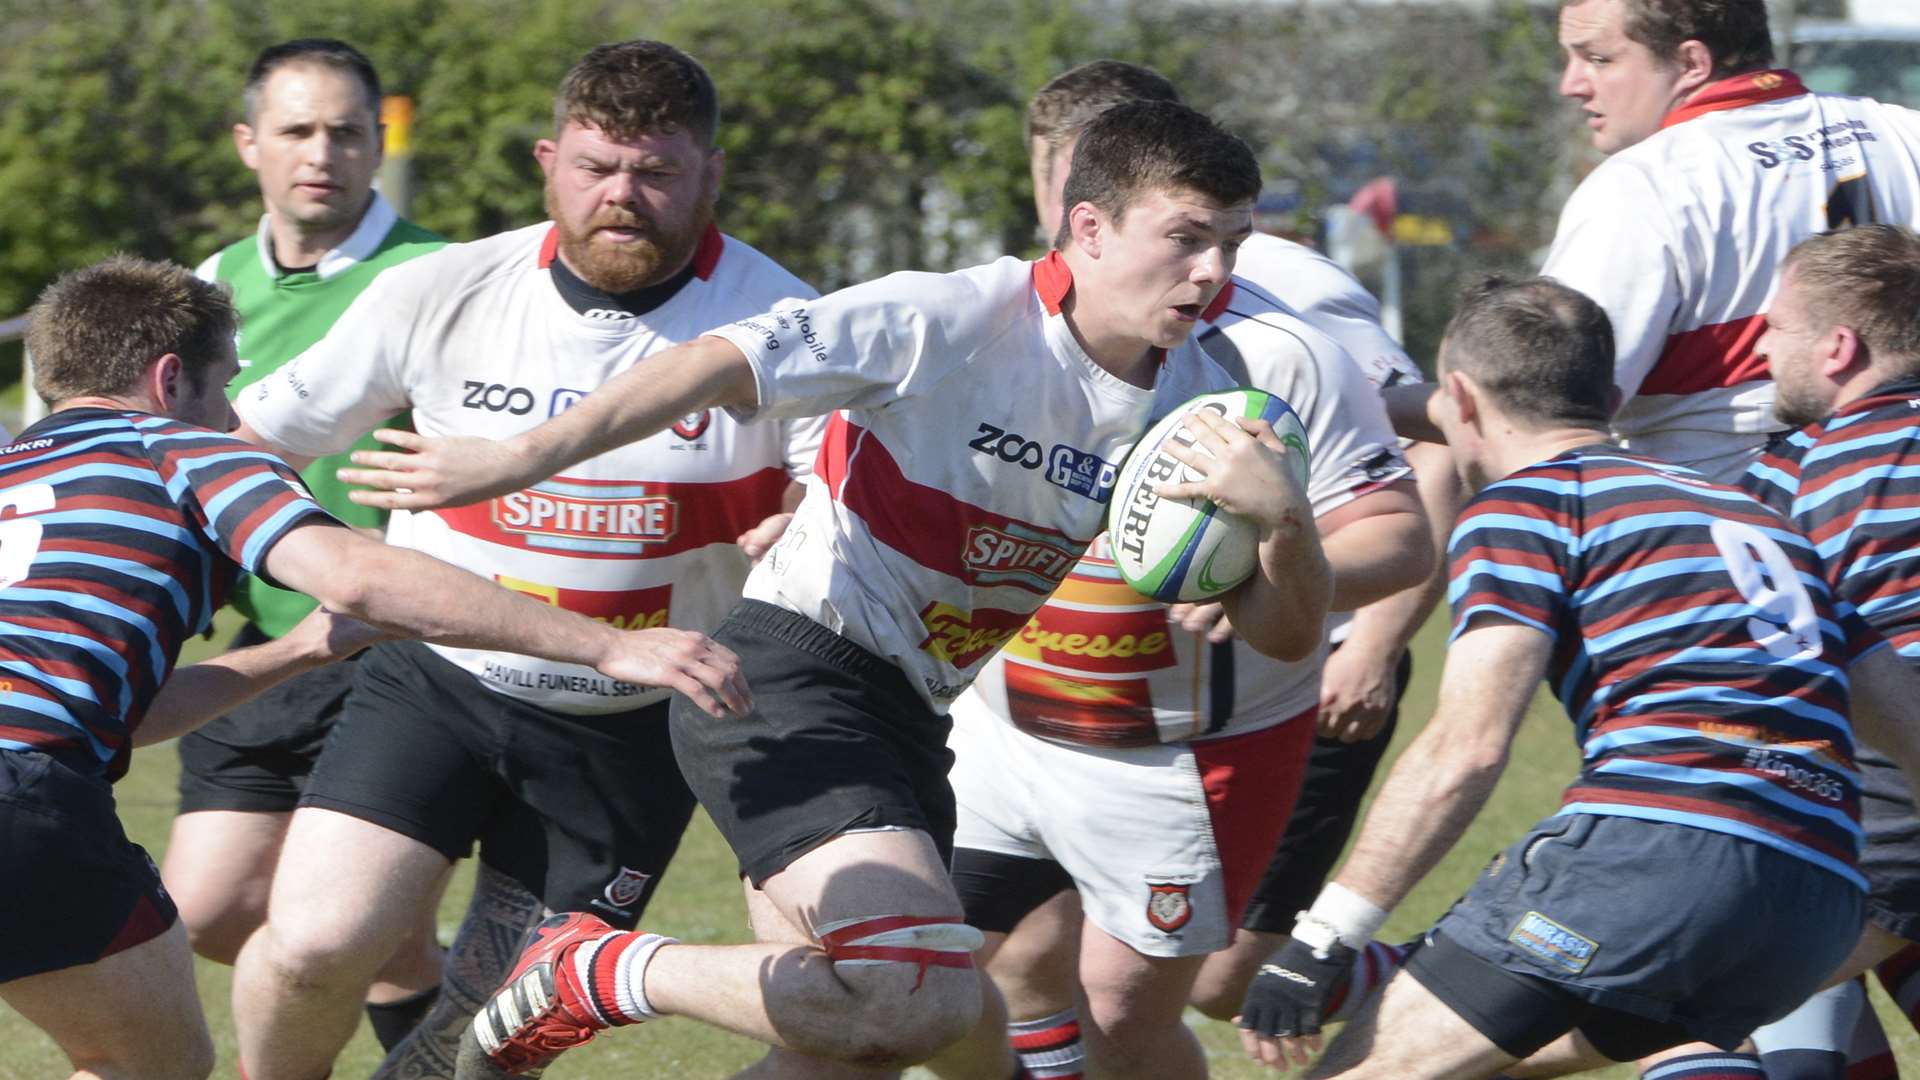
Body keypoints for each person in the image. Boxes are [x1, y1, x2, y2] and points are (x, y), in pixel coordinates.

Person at [338, 98, 1330, 1076]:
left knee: (893, 1033)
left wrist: (1282, 516)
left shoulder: (1204, 408)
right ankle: (597, 967)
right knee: (918, 988)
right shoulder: (955, 316)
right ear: (1090, 227)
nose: (1214, 273)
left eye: (1234, 245)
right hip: (792, 674)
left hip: (911, 716)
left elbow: (1284, 637)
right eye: (1188, 239)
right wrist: (521, 455)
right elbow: (719, 360)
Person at [220, 40, 825, 1080]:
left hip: (631, 725)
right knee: (313, 946)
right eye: (597, 167)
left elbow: (840, 495)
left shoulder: (787, 328)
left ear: (710, 174)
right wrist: (310, 553)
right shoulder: (444, 289)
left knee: (485, 1040)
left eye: (657, 171)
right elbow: (252, 444)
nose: (623, 195)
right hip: (437, 683)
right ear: (550, 162)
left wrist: (802, 526)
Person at [0, 255, 744, 1080]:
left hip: (27, 773)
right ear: (170, 379)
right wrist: (609, 643)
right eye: (226, 387)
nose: (234, 412)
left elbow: (120, 714)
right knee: (152, 1063)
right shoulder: (177, 448)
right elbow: (359, 573)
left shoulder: (16, 471)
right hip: (22, 799)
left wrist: (300, 650)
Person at [1235, 274, 1920, 1079]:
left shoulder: (1531, 507)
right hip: (1818, 891)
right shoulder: (1749, 513)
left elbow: (1466, 750)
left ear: (1457, 397)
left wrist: (1319, 943)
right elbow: (1905, 720)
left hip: (1652, 853)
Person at [924, 59, 1444, 1080]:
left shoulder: (1285, 340)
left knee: (1128, 1010)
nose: (1063, 205)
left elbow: (1403, 535)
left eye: (1221, 238)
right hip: (1009, 723)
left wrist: (1275, 554)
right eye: (1052, 177)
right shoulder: (993, 325)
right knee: (951, 979)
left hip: (1192, 747)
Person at [161, 38, 451, 1053]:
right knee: (205, 912)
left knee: (342, 925)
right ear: (250, 144)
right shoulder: (208, 285)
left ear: (380, 143)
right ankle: (435, 988)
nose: (320, 152)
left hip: (397, 650)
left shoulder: (439, 276)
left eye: (346, 131)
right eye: (296, 130)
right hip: (271, 647)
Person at [1738, 225, 1920, 1080]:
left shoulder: (1791, 475)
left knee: (1694, 986)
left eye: (1773, 328)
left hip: (1890, 772)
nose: (1757, 347)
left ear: (1839, 347)